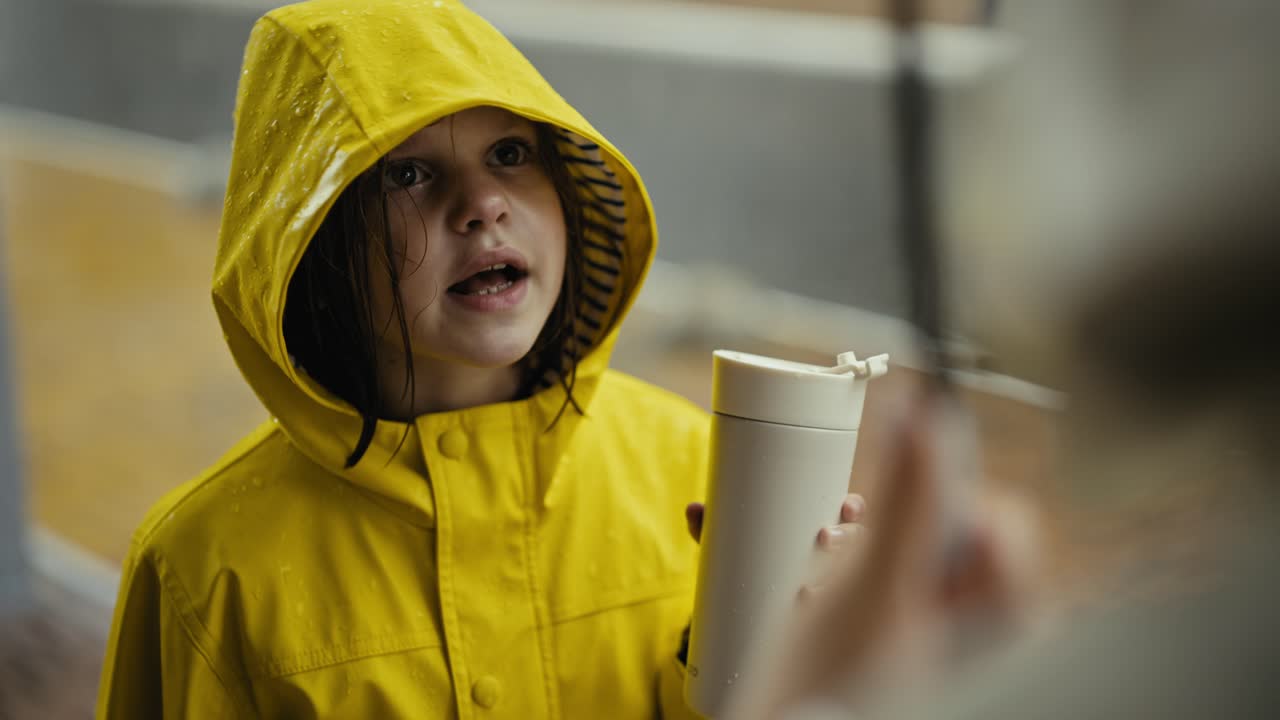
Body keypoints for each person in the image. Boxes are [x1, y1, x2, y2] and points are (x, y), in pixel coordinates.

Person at [94, 0, 865, 717]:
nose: (483, 204)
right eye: (406, 173)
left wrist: (797, 657)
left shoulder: (695, 467)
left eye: (510, 152)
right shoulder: (206, 571)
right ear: (312, 237)